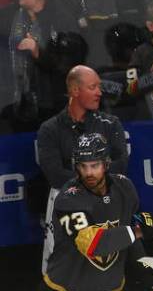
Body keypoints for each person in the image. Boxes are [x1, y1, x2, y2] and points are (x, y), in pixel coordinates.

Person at [40, 133, 153, 291]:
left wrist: (142, 263)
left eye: (94, 165)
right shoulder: (68, 198)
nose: (88, 173)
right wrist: (141, 230)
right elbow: (92, 245)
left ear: (106, 164)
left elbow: (128, 235)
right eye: (83, 166)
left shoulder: (125, 188)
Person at [37, 64, 127, 272]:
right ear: (75, 91)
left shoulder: (110, 123)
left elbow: (121, 163)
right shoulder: (49, 129)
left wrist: (93, 185)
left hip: (106, 202)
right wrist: (94, 181)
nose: (99, 92)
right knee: (62, 263)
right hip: (66, 205)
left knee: (107, 259)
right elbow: (55, 175)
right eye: (93, 87)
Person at [7, 0, 85, 130]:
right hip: (19, 108)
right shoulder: (13, 17)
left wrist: (37, 52)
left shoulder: (62, 19)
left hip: (55, 109)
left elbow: (69, 66)